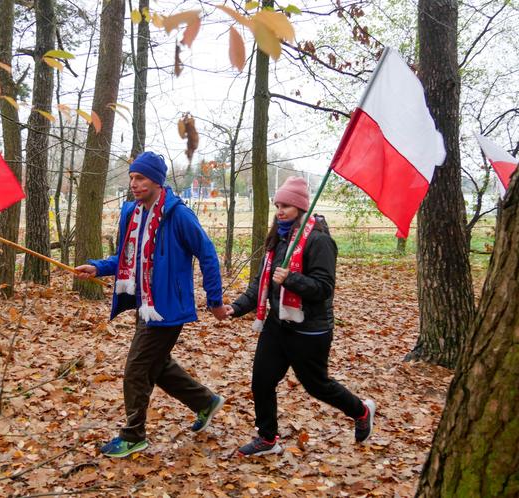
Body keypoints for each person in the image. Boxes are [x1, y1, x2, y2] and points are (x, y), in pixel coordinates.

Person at [75, 151, 229, 458]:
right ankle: (204, 401)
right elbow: (124, 258)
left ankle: (133, 435)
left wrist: (215, 300)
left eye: (140, 178)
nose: (134, 183)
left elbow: (208, 254)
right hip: (142, 301)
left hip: (167, 307)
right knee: (155, 366)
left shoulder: (178, 215)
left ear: (157, 181)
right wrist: (97, 267)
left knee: (136, 369)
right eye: (131, 177)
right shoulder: (131, 213)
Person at [223, 176, 376, 456]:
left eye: (287, 206)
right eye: (278, 205)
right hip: (277, 324)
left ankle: (361, 410)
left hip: (310, 330)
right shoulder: (277, 240)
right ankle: (267, 438)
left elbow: (324, 288)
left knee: (317, 386)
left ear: (301, 209)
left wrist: (292, 279)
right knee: (262, 381)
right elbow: (261, 283)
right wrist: (237, 307)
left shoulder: (319, 241)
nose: (280, 211)